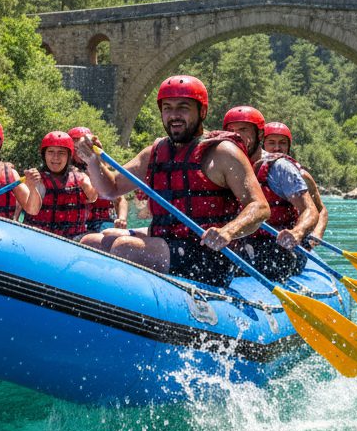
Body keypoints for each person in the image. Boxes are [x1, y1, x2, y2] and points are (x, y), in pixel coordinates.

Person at [76, 76, 268, 286]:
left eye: (183, 107)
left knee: (124, 248)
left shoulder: (223, 153)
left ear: (202, 112)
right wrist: (92, 160)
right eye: (167, 108)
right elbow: (111, 189)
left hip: (209, 255)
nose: (174, 115)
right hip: (166, 240)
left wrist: (228, 231)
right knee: (93, 240)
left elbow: (259, 207)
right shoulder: (155, 152)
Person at [221, 106, 318, 281]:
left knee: (268, 254)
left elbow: (310, 210)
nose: (237, 136)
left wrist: (297, 232)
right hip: (243, 243)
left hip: (279, 247)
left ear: (259, 135)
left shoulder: (279, 168)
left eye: (243, 130)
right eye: (231, 131)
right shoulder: (225, 166)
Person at [261, 120, 329, 248]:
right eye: (271, 143)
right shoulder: (252, 171)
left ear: (288, 147)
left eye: (282, 143)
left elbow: (321, 210)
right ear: (263, 145)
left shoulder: (302, 176)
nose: (277, 148)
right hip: (260, 239)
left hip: (290, 239)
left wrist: (317, 235)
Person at [28, 131, 98, 238]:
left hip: (72, 240)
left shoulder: (81, 178)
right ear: (44, 155)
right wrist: (33, 186)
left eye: (61, 153)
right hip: (40, 239)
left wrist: (93, 159)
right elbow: (32, 210)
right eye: (51, 152)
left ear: (69, 156)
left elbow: (93, 197)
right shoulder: (35, 178)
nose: (56, 157)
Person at [68, 126, 128, 231]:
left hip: (105, 222)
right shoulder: (68, 173)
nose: (81, 153)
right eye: (77, 149)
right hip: (80, 225)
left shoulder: (102, 170)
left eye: (84, 148)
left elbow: (121, 200)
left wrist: (121, 219)